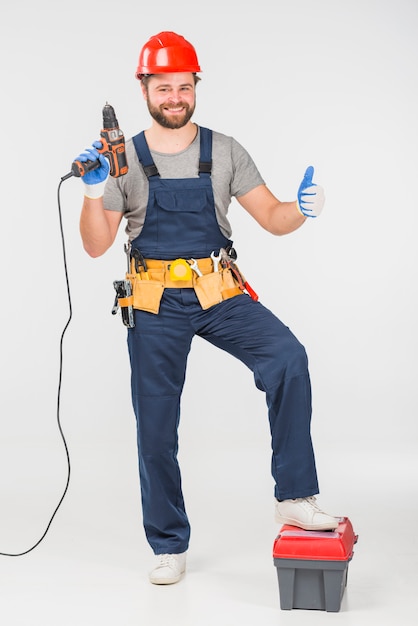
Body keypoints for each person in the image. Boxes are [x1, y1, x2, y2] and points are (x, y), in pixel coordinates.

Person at [75, 31, 339, 586]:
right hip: (152, 300)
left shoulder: (225, 151)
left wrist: (302, 209)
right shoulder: (122, 160)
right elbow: (97, 245)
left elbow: (271, 216)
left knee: (287, 358)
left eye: (184, 86)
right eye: (164, 87)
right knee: (156, 426)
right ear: (144, 88)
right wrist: (94, 191)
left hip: (217, 291)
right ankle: (168, 544)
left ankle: (294, 496)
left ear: (196, 86)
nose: (175, 97)